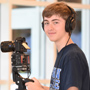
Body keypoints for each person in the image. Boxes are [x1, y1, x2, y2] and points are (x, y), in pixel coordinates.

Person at [25, 1, 89, 90]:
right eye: (46, 23)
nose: (50, 28)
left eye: (55, 22)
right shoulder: (64, 53)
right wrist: (42, 87)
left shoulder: (72, 56)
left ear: (68, 25)